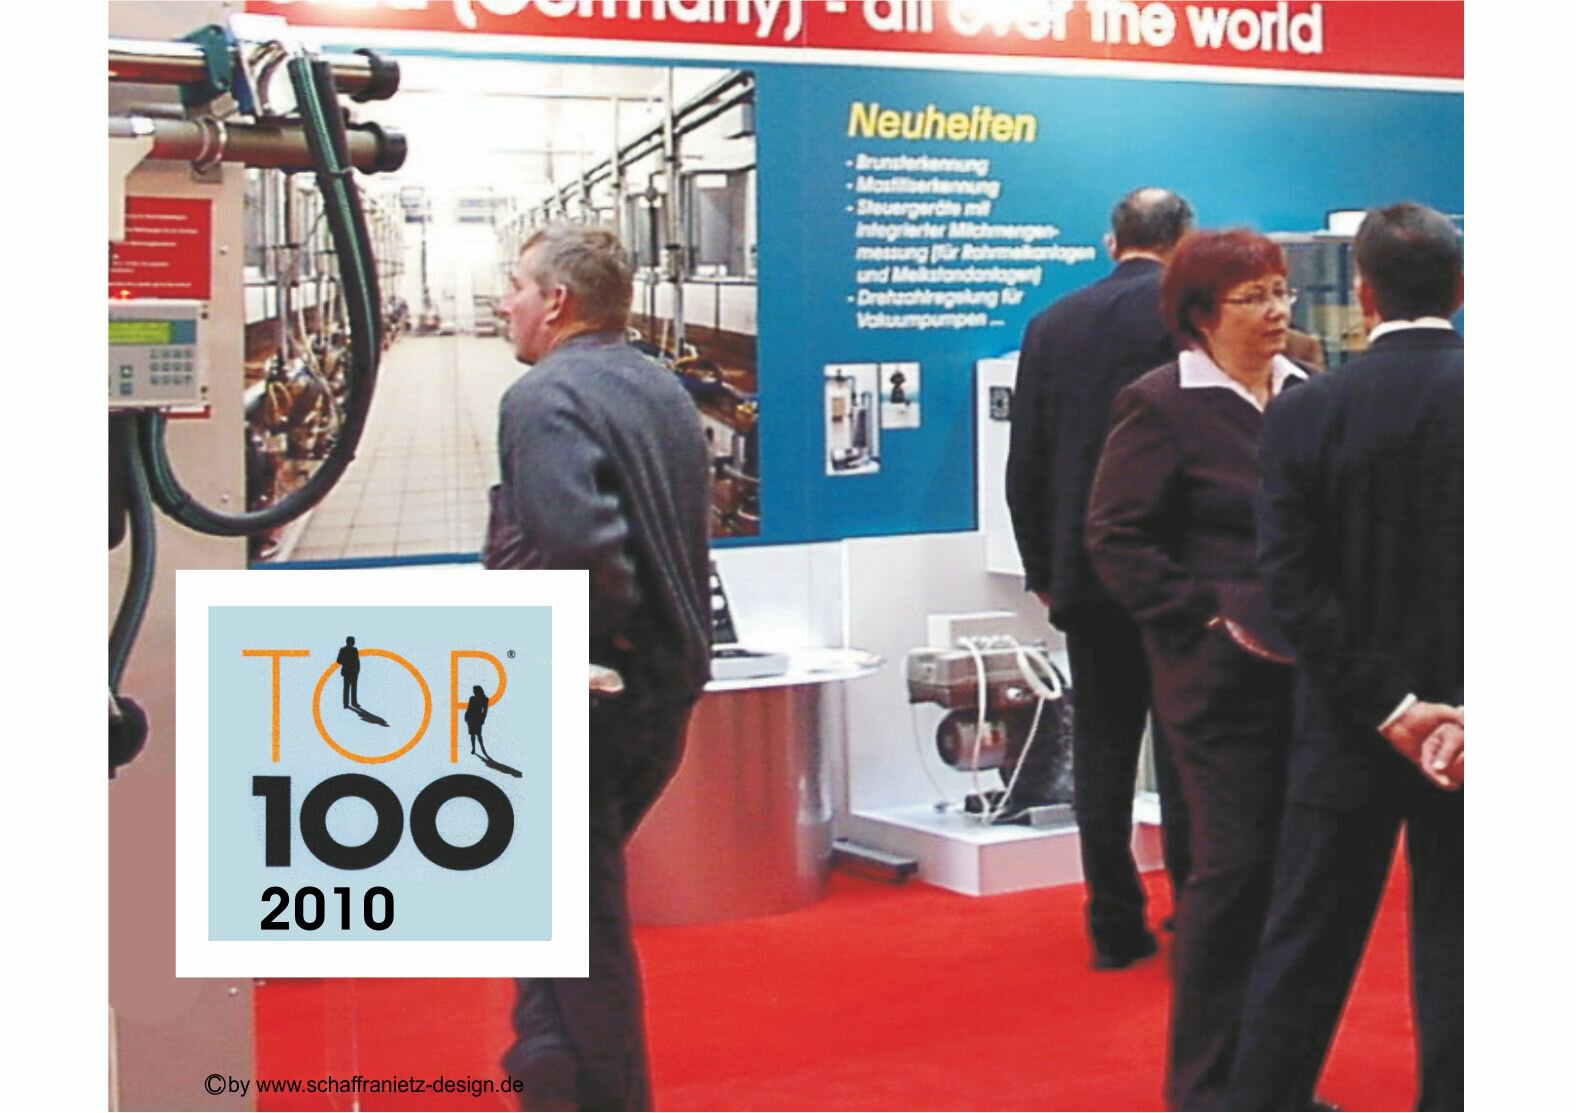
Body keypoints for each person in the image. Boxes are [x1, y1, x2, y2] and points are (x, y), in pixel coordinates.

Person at [1227, 202, 1464, 1112]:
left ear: (1362, 296)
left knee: (1307, 936)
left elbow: (1292, 585)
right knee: (1467, 942)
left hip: (1347, 720)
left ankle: (1267, 1098)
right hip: (1472, 731)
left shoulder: (1306, 412)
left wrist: (1390, 706)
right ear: (1461, 288)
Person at [1085, 229, 1315, 1110]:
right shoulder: (1160, 403)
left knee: (1297, 880)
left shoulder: (1309, 393)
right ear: (1200, 313)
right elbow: (1117, 536)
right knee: (1231, 874)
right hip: (1217, 680)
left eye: (1281, 291)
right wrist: (1206, 619)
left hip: (1311, 672)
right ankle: (1209, 1085)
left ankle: (1278, 1079)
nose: (1276, 311)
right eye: (1253, 297)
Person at [486, 223, 712, 1111]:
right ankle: (545, 1072)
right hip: (664, 691)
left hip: (591, 696)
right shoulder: (659, 386)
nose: (503, 302)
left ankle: (596, 1094)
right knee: (554, 908)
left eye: (515, 285)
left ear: (557, 302)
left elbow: (582, 550)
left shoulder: (543, 398)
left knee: (578, 929)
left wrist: (576, 661)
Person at [1005, 186, 1195, 968]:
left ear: (1111, 242)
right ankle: (1198, 908)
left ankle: (1113, 920)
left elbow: (1027, 458)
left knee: (1103, 748)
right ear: (1185, 240)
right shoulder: (1191, 317)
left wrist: (1043, 567)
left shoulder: (1052, 324)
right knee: (1188, 749)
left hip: (1085, 570)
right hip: (1179, 571)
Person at [465, 684, 492, 759]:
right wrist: (466, 716)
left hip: (477, 718)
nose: (473, 692)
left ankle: (482, 747)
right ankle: (473, 748)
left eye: (474, 691)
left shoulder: (485, 699)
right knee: (472, 734)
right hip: (471, 718)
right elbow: (469, 708)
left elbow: (485, 711)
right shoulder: (472, 698)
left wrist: (483, 719)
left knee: (478, 734)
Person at [335, 636, 360, 709]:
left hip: (353, 672)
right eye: (353, 641)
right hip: (348, 672)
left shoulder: (354, 650)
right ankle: (347, 704)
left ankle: (353, 703)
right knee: (347, 688)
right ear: (349, 642)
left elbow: (357, 660)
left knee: (352, 688)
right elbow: (338, 660)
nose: (354, 642)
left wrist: (357, 669)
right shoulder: (343, 650)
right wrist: (347, 663)